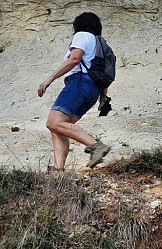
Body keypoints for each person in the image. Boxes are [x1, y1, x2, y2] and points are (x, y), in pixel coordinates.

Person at [37, 12, 112, 170]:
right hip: (93, 91)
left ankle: (95, 145)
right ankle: (58, 170)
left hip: (79, 83)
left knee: (53, 122)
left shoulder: (82, 35)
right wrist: (103, 97)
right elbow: (102, 73)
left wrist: (49, 79)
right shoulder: (100, 44)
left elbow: (75, 59)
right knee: (59, 129)